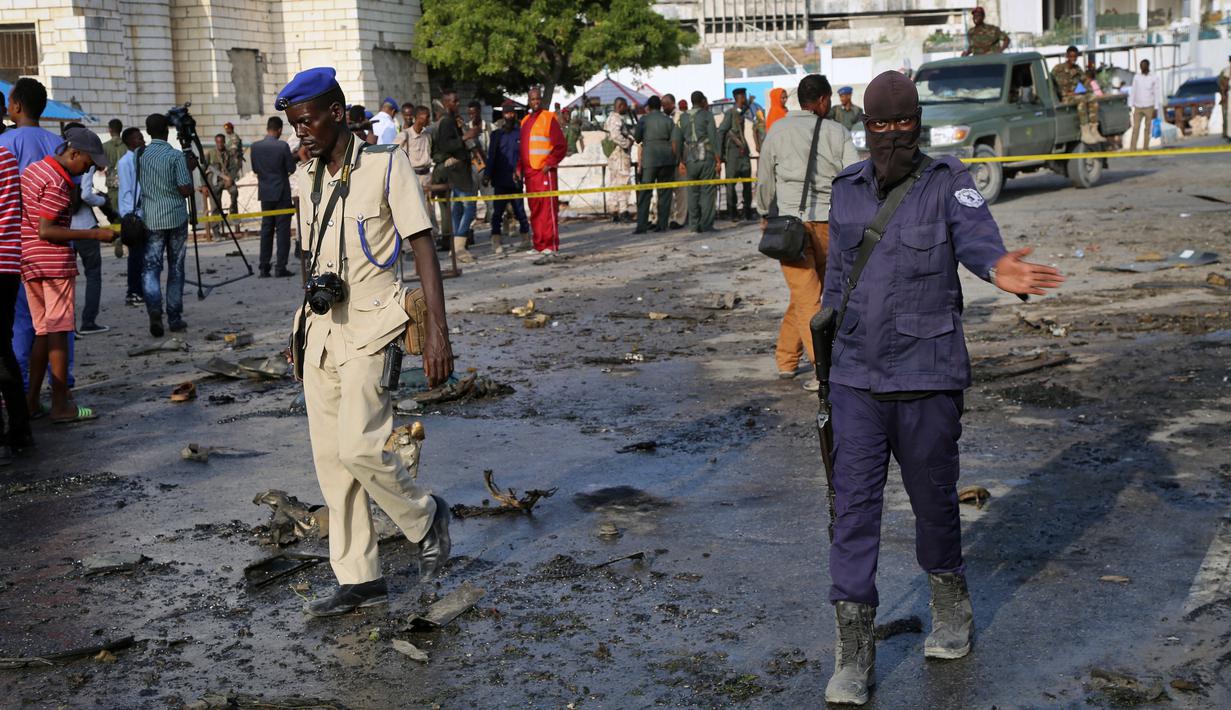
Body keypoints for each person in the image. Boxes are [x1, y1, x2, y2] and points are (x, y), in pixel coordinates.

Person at [820, 71, 1065, 705]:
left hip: (927, 375)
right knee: (853, 513)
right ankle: (854, 651)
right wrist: (825, 359)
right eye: (880, 125)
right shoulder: (846, 191)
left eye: (903, 123)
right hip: (854, 380)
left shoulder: (948, 182)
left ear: (918, 123)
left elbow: (978, 238)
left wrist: (998, 266)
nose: (892, 135)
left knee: (934, 506)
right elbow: (837, 282)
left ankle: (951, 605)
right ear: (865, 127)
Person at [276, 67, 454, 616]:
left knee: (360, 448)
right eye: (293, 124)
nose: (300, 133)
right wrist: (299, 326)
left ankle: (426, 517)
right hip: (320, 333)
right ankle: (359, 579)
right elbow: (313, 260)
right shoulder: (305, 177)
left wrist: (438, 332)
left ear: (336, 113)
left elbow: (422, 246)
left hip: (374, 327)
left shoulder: (385, 164)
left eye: (306, 122)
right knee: (333, 463)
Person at [756, 74, 858, 391]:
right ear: (824, 100)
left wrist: (764, 212)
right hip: (829, 225)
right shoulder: (837, 131)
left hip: (790, 227)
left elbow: (764, 178)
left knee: (805, 297)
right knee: (810, 297)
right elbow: (854, 177)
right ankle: (822, 370)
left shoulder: (777, 130)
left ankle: (789, 360)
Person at [20, 126, 115, 424]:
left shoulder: (34, 170)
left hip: (29, 260)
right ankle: (61, 405)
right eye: (87, 162)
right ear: (74, 153)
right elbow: (46, 229)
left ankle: (31, 402)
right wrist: (95, 234)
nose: (88, 168)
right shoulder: (58, 182)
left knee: (42, 331)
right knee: (59, 330)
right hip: (53, 263)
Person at [1, 77, 69, 393]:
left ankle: (23, 389)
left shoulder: (6, 144)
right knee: (60, 321)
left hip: (19, 244)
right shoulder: (58, 144)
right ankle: (62, 386)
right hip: (57, 243)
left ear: (16, 106)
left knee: (21, 322)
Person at [0, 90, 35, 455]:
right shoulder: (7, 157)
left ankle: (15, 427)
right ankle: (20, 427)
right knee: (4, 346)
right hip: (9, 263)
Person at [139, 113, 194, 338]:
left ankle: (154, 309)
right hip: (176, 217)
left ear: (148, 131)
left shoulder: (141, 156)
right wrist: (189, 171)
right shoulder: (175, 156)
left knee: (151, 268)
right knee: (176, 267)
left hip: (152, 218)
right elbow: (185, 189)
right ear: (167, 131)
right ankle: (174, 316)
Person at [61, 122, 109, 335]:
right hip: (85, 227)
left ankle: (67, 325)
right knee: (93, 275)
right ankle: (88, 321)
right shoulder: (85, 160)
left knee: (66, 280)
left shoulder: (59, 159)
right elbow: (85, 195)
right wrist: (103, 201)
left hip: (64, 229)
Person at [518, 87, 566, 257]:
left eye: (538, 98)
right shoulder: (525, 121)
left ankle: (550, 245)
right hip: (530, 174)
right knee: (535, 209)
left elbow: (561, 146)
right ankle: (539, 245)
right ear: (528, 101)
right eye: (533, 99)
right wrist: (519, 168)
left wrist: (550, 162)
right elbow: (523, 148)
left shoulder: (549, 118)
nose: (536, 102)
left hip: (544, 172)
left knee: (548, 209)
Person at [432, 89, 478, 263]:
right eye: (454, 101)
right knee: (469, 208)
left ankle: (456, 248)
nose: (458, 104)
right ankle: (459, 246)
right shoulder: (445, 122)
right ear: (446, 103)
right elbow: (446, 146)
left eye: (458, 101)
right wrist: (465, 137)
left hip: (460, 171)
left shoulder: (454, 120)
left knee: (458, 210)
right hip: (456, 173)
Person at [250, 115, 297, 278]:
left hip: (265, 193)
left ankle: (264, 267)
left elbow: (255, 169)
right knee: (283, 231)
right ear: (279, 129)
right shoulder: (282, 146)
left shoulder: (255, 147)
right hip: (282, 194)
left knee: (266, 230)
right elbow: (291, 168)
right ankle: (280, 267)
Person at [486, 100, 531, 255]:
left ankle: (526, 239)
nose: (509, 116)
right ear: (503, 115)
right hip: (500, 180)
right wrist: (487, 175)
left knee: (520, 212)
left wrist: (522, 173)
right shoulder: (496, 135)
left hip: (516, 180)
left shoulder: (521, 133)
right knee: (497, 213)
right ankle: (496, 241)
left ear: (515, 114)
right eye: (506, 113)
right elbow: (491, 157)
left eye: (512, 113)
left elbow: (525, 156)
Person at [632, 95, 680, 235]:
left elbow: (637, 138)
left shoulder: (644, 120)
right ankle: (662, 224)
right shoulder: (668, 120)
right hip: (667, 159)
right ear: (660, 106)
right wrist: (677, 159)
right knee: (664, 193)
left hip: (650, 160)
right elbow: (675, 140)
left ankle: (642, 226)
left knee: (645, 192)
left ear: (649, 107)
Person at [678, 90, 719, 233]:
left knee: (692, 192)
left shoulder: (682, 118)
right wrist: (718, 158)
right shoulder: (707, 115)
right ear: (702, 101)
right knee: (707, 191)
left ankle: (694, 225)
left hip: (690, 158)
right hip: (706, 157)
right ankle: (706, 225)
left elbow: (677, 140)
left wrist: (680, 161)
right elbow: (713, 137)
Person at [395, 105, 440, 236]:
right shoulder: (404, 135)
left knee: (429, 208)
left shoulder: (427, 135)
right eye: (426, 116)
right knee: (415, 209)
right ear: (418, 118)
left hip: (426, 176)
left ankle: (433, 235)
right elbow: (393, 155)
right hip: (412, 176)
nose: (428, 119)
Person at [116, 127, 146, 307]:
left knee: (144, 256)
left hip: (144, 213)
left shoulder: (142, 159)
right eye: (139, 138)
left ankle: (142, 289)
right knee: (136, 256)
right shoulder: (125, 162)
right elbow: (127, 191)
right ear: (130, 142)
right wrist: (131, 215)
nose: (143, 141)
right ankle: (133, 292)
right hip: (133, 215)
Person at [718, 87, 755, 221]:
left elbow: (741, 115)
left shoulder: (740, 112)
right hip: (732, 153)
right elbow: (721, 131)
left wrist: (749, 104)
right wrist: (720, 154)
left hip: (743, 153)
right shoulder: (730, 113)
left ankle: (747, 211)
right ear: (739, 98)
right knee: (731, 184)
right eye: (743, 96)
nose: (745, 98)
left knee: (747, 183)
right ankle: (732, 212)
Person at [603, 97, 635, 223]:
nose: (626, 108)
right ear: (620, 106)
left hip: (614, 155)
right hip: (620, 154)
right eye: (625, 106)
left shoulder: (611, 118)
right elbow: (616, 136)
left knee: (615, 182)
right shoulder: (616, 119)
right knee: (623, 181)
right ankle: (623, 210)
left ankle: (614, 209)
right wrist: (627, 143)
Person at [1052, 46, 1096, 133]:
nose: (1073, 58)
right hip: (1064, 97)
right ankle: (1085, 130)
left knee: (1093, 98)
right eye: (1071, 56)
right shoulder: (1058, 68)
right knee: (1081, 100)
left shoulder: (1077, 69)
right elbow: (1051, 83)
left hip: (1075, 95)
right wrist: (1063, 94)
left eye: (1075, 56)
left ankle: (1093, 127)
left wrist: (1079, 90)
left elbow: (1086, 81)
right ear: (1067, 56)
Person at [101, 118, 127, 255]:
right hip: (126, 182)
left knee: (114, 212)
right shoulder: (127, 146)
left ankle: (117, 236)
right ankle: (126, 236)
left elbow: (101, 165)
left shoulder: (104, 146)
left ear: (110, 130)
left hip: (112, 183)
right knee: (127, 211)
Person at [662, 93, 688, 230]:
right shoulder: (663, 118)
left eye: (665, 105)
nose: (663, 107)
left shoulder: (681, 117)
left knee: (681, 190)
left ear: (672, 104)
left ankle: (680, 218)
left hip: (680, 157)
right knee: (668, 190)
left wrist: (681, 159)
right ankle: (670, 217)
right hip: (667, 158)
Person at [201, 134, 230, 240]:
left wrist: (230, 179)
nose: (220, 144)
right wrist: (204, 185)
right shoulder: (210, 154)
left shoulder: (227, 153)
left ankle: (234, 217)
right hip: (213, 184)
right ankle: (216, 233)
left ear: (224, 142)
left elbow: (231, 168)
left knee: (234, 192)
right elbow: (202, 169)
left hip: (224, 182)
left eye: (221, 142)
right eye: (218, 142)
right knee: (215, 208)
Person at [1127, 58, 1162, 151]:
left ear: (1147, 66)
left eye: (1144, 66)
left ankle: (1145, 147)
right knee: (1136, 128)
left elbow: (1156, 93)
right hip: (1138, 106)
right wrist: (1130, 104)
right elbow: (1133, 91)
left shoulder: (1154, 77)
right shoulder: (1136, 77)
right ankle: (1132, 149)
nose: (1142, 68)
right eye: (1141, 66)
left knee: (1147, 128)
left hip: (1149, 106)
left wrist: (1156, 108)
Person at [222, 122, 244, 212]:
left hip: (234, 163)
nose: (226, 130)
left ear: (231, 129)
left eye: (228, 128)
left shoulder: (234, 137)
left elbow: (233, 151)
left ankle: (233, 208)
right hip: (229, 163)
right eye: (226, 129)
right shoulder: (229, 138)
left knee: (232, 183)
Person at [1219, 55, 1231, 131]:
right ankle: (1226, 131)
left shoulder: (1226, 70)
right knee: (1227, 113)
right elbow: (1223, 84)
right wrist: (1223, 95)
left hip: (1227, 94)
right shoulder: (1226, 71)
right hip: (1228, 94)